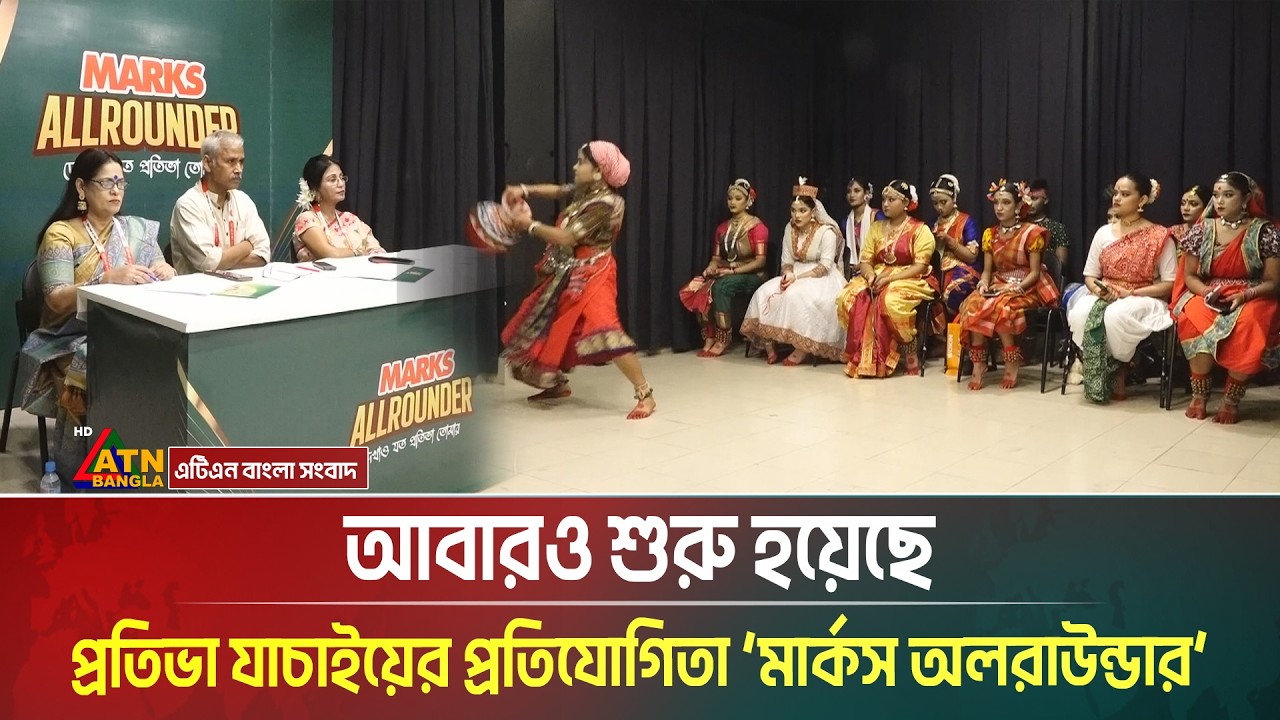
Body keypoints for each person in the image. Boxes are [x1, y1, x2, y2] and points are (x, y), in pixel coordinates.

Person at [19, 148, 174, 480]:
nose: (116, 190)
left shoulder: (135, 230)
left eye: (121, 182)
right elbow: (56, 299)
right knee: (98, 364)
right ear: (81, 187)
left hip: (126, 329)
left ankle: (146, 453)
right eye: (107, 183)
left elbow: (158, 266)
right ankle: (82, 467)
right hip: (68, 337)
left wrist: (165, 270)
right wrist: (103, 279)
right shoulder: (61, 233)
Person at [500, 140, 656, 419]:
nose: (575, 166)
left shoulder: (607, 205)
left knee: (605, 328)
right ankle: (557, 385)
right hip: (571, 272)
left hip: (596, 274)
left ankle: (646, 394)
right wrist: (524, 189)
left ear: (598, 172)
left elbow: (568, 237)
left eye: (581, 162)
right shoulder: (586, 192)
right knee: (542, 327)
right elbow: (560, 190)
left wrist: (529, 225)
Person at [1173, 171, 1280, 424]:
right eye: (1216, 195)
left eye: (1228, 195)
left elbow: (1273, 282)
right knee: (1191, 318)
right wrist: (1206, 293)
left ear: (1246, 199)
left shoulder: (1264, 232)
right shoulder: (1202, 230)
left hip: (1252, 295)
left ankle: (1231, 399)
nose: (1219, 201)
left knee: (1249, 322)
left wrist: (1244, 295)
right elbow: (1190, 276)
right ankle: (1199, 396)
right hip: (1208, 292)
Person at [1065, 173, 1176, 403]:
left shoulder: (1159, 236)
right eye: (1116, 193)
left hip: (1143, 296)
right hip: (1106, 293)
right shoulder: (1103, 233)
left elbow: (1169, 283)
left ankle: (1120, 368)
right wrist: (1099, 290)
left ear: (1142, 200)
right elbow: (1090, 275)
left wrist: (1131, 293)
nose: (1116, 198)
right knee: (1080, 313)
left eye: (1125, 194)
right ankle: (1103, 369)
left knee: (1116, 315)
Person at [956, 179, 1060, 390]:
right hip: (999, 283)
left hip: (1028, 286)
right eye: (996, 203)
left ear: (1019, 206)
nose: (999, 208)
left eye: (1005, 202)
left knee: (1003, 307)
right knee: (973, 304)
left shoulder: (1032, 233)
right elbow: (987, 270)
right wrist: (983, 283)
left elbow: (1035, 273)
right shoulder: (990, 234)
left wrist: (1015, 288)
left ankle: (1011, 361)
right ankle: (978, 364)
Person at [837, 179, 938, 378]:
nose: (885, 204)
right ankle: (865, 356)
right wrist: (870, 276)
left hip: (911, 276)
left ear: (906, 203)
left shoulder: (920, 230)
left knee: (890, 302)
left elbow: (920, 266)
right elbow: (865, 260)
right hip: (878, 274)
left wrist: (890, 280)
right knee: (848, 297)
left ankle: (910, 351)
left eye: (892, 200)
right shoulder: (876, 228)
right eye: (884, 200)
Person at [741, 178, 846, 365]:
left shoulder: (826, 232)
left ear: (813, 212)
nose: (797, 215)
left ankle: (802, 349)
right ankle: (769, 343)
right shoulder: (789, 228)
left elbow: (825, 266)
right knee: (764, 292)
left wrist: (797, 277)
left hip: (822, 277)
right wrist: (788, 273)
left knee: (796, 295)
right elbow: (787, 260)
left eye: (802, 211)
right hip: (795, 273)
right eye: (793, 210)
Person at [679, 178, 768, 357]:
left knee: (721, 287)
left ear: (748, 201)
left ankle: (723, 337)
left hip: (753, 274)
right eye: (730, 198)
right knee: (698, 287)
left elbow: (760, 262)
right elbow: (716, 258)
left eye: (738, 198)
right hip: (726, 271)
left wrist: (733, 271)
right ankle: (709, 336)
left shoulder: (757, 227)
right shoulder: (722, 228)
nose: (732, 202)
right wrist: (710, 268)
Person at [170, 130, 271, 274]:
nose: (238, 170)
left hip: (243, 286)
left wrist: (222, 261)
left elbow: (263, 255)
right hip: (200, 288)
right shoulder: (188, 204)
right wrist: (247, 246)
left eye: (241, 162)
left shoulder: (243, 200)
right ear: (207, 163)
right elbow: (208, 262)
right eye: (231, 161)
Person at [293, 154, 385, 261]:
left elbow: (376, 250)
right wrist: (359, 254)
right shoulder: (307, 219)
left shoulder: (349, 219)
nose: (341, 184)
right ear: (315, 188)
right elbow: (330, 254)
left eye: (341, 177)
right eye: (332, 180)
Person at [929, 173, 981, 317]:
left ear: (954, 199)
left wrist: (950, 241)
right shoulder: (932, 223)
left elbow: (972, 257)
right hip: (936, 269)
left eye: (943, 202)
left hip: (963, 268)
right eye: (935, 203)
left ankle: (953, 328)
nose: (939, 207)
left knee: (952, 292)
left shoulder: (967, 221)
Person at [1026, 179, 1071, 269]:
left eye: (1034, 199)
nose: (1030, 203)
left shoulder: (1057, 228)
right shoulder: (1020, 226)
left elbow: (1061, 264)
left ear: (1045, 200)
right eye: (1027, 199)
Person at [842, 177, 881, 276]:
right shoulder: (846, 221)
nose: (852, 195)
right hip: (851, 269)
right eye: (849, 191)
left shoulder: (876, 216)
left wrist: (863, 264)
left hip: (874, 267)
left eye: (857, 191)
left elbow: (882, 247)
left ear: (866, 193)